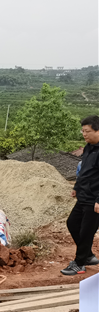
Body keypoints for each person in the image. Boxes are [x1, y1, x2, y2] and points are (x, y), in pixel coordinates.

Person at [62, 115, 99, 275]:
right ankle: (88, 255)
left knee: (86, 232)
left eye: (87, 131)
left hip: (94, 200)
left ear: (97, 131)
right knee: (72, 223)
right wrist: (76, 187)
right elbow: (84, 170)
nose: (84, 134)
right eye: (82, 131)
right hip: (83, 195)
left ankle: (79, 264)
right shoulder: (89, 147)